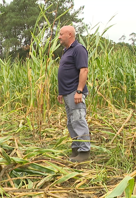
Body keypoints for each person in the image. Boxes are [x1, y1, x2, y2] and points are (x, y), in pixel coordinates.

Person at [57, 25, 91, 162]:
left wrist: (79, 91)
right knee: (71, 122)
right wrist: (61, 92)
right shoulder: (66, 51)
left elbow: (84, 70)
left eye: (61, 34)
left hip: (74, 92)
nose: (59, 37)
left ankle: (84, 152)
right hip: (66, 93)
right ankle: (76, 149)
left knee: (78, 120)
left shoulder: (78, 49)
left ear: (69, 35)